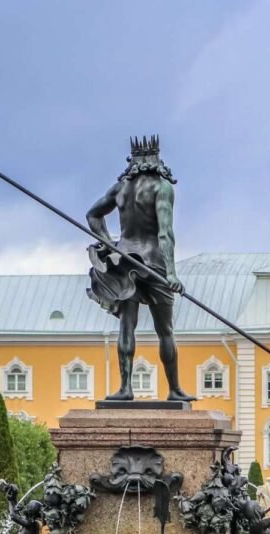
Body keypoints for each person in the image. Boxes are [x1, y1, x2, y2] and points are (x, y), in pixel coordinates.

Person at [85, 135, 192, 402]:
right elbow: (165, 233)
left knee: (127, 327)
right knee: (165, 330)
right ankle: (174, 390)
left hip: (124, 260)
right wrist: (171, 273)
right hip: (154, 261)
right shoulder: (162, 188)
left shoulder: (120, 188)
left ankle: (125, 388)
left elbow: (93, 215)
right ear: (157, 161)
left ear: (132, 162)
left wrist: (109, 244)